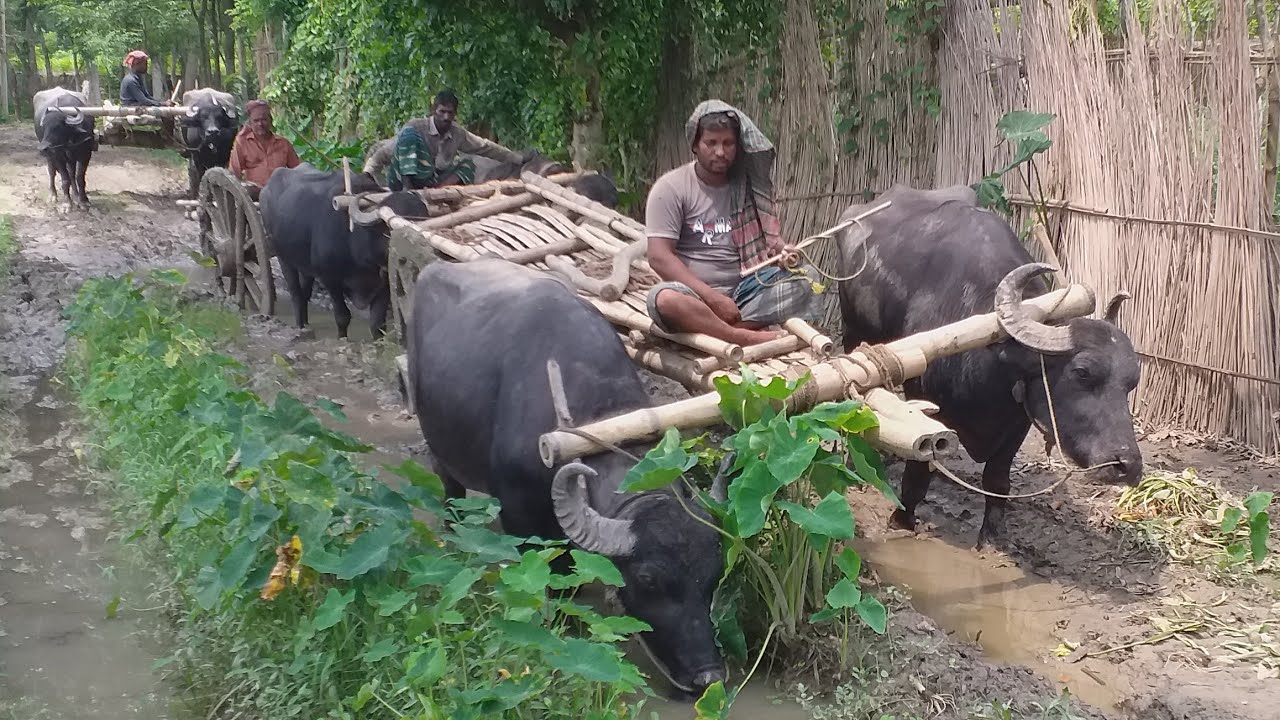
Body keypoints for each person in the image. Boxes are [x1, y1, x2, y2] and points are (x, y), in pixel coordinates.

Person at [644, 100, 823, 347]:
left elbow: (770, 243)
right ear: (695, 144)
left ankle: (717, 329)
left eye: (728, 143)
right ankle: (741, 336)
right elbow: (659, 257)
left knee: (807, 279)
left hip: (745, 292)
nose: (720, 151)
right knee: (664, 300)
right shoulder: (671, 188)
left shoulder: (745, 187)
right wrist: (713, 298)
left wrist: (784, 253)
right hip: (695, 294)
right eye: (711, 143)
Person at [364, 89, 528, 190]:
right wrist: (368, 173)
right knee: (408, 136)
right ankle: (409, 189)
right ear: (434, 110)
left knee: (468, 163)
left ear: (455, 114)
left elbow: (485, 147)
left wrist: (517, 158)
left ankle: (440, 192)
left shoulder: (457, 134)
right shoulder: (417, 126)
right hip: (402, 181)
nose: (446, 117)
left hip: (431, 181)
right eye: (442, 112)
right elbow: (384, 154)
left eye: (450, 113)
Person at [228, 100, 301, 198]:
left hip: (281, 195)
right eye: (256, 120)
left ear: (271, 120)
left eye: (264, 119)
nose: (260, 124)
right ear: (250, 123)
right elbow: (234, 173)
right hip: (254, 197)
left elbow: (298, 171)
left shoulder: (283, 144)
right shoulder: (242, 143)